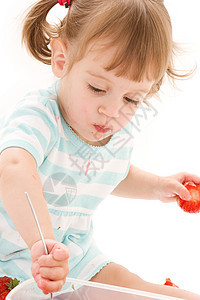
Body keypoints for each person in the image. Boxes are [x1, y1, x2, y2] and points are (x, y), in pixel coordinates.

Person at [0, 0, 199, 298]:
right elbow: (13, 169)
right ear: (61, 60)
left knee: (132, 285)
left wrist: (157, 186)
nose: (112, 110)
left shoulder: (110, 128)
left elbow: (110, 172)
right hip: (10, 254)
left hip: (74, 258)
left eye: (132, 99)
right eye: (97, 88)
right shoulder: (39, 116)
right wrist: (42, 244)